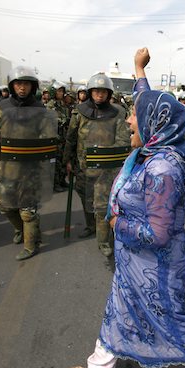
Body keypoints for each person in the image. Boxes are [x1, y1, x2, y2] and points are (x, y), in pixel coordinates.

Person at [65, 47, 185, 368]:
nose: (128, 121)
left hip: (156, 267)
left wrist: (116, 223)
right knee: (119, 308)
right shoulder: (153, 147)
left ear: (154, 124)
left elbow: (158, 234)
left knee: (169, 317)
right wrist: (139, 70)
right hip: (133, 259)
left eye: (134, 117)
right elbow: (148, 102)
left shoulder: (163, 169)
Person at [0, 66, 58, 260]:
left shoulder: (41, 110)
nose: (22, 88)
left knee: (27, 211)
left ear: (32, 86)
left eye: (26, 84)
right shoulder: (3, 107)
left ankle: (31, 245)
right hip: (7, 166)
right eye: (18, 84)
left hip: (31, 167)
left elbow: (48, 139)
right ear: (12, 86)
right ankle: (21, 229)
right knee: (4, 205)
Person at [64, 73, 131, 257]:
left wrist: (108, 154)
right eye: (96, 91)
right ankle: (90, 225)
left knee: (101, 205)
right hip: (83, 166)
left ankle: (103, 241)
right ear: (90, 92)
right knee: (86, 198)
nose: (99, 95)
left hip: (107, 168)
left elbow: (123, 140)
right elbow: (70, 138)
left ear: (109, 93)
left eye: (103, 91)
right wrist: (67, 161)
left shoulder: (118, 113)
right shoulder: (79, 112)